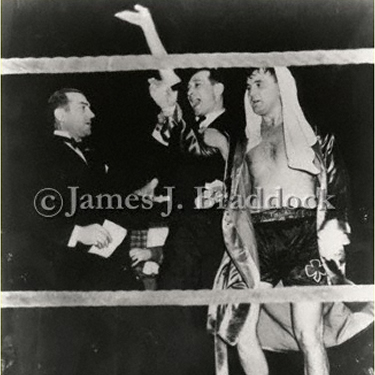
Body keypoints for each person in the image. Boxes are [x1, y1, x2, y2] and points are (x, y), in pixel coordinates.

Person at [207, 67, 374, 375]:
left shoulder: (313, 137)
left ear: (281, 86)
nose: (252, 92)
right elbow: (238, 194)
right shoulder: (246, 144)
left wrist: (335, 239)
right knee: (242, 333)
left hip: (303, 240)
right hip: (259, 243)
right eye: (248, 86)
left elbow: (337, 189)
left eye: (259, 84)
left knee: (307, 334)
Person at [117, 5, 237, 291]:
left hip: (217, 235)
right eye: (189, 88)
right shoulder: (190, 129)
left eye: (198, 84)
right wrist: (154, 184)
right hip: (182, 230)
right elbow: (169, 76)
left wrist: (223, 146)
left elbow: (228, 163)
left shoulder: (234, 124)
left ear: (218, 89)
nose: (191, 92)